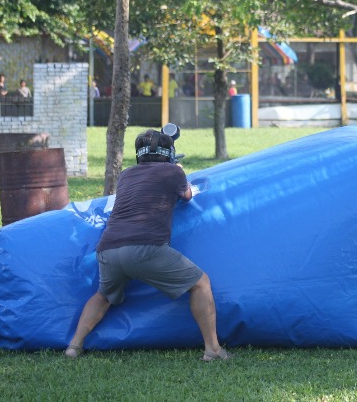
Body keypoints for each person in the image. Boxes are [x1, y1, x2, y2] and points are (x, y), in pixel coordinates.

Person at [64, 129, 232, 362]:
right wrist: (180, 172)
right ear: (169, 155)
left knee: (103, 295)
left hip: (108, 249)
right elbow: (187, 196)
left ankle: (74, 346)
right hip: (145, 247)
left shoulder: (125, 175)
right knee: (200, 283)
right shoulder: (173, 172)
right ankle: (213, 349)